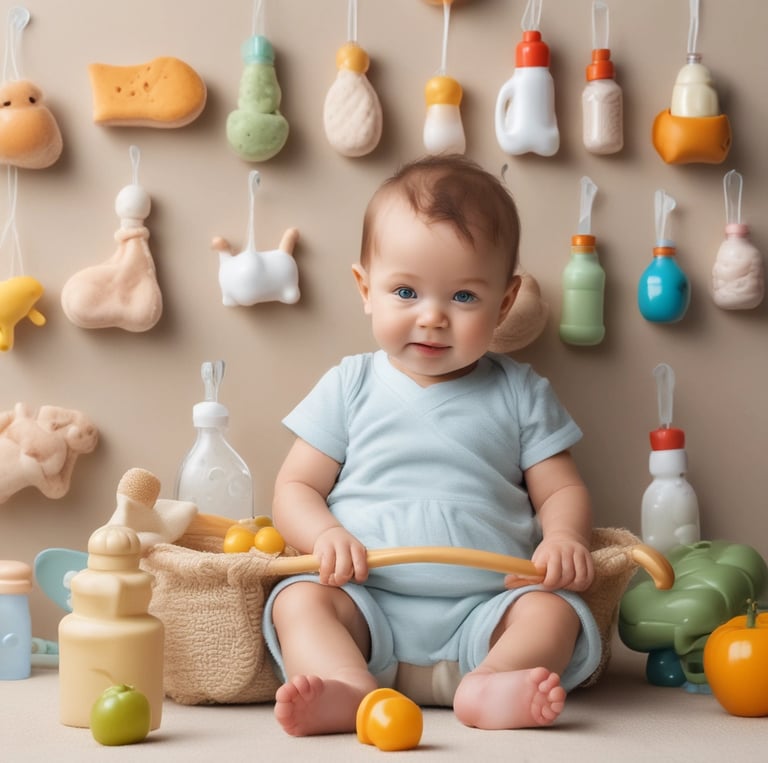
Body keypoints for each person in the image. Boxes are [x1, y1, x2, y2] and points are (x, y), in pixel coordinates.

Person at [263, 154, 601, 736]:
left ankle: (492, 684)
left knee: (553, 612)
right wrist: (325, 536)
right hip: (367, 604)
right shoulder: (350, 384)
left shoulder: (520, 391)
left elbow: (561, 488)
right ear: (365, 289)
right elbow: (295, 487)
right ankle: (348, 688)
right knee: (298, 601)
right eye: (405, 291)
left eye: (464, 298)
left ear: (505, 301)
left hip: (486, 609)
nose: (433, 318)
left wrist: (565, 537)